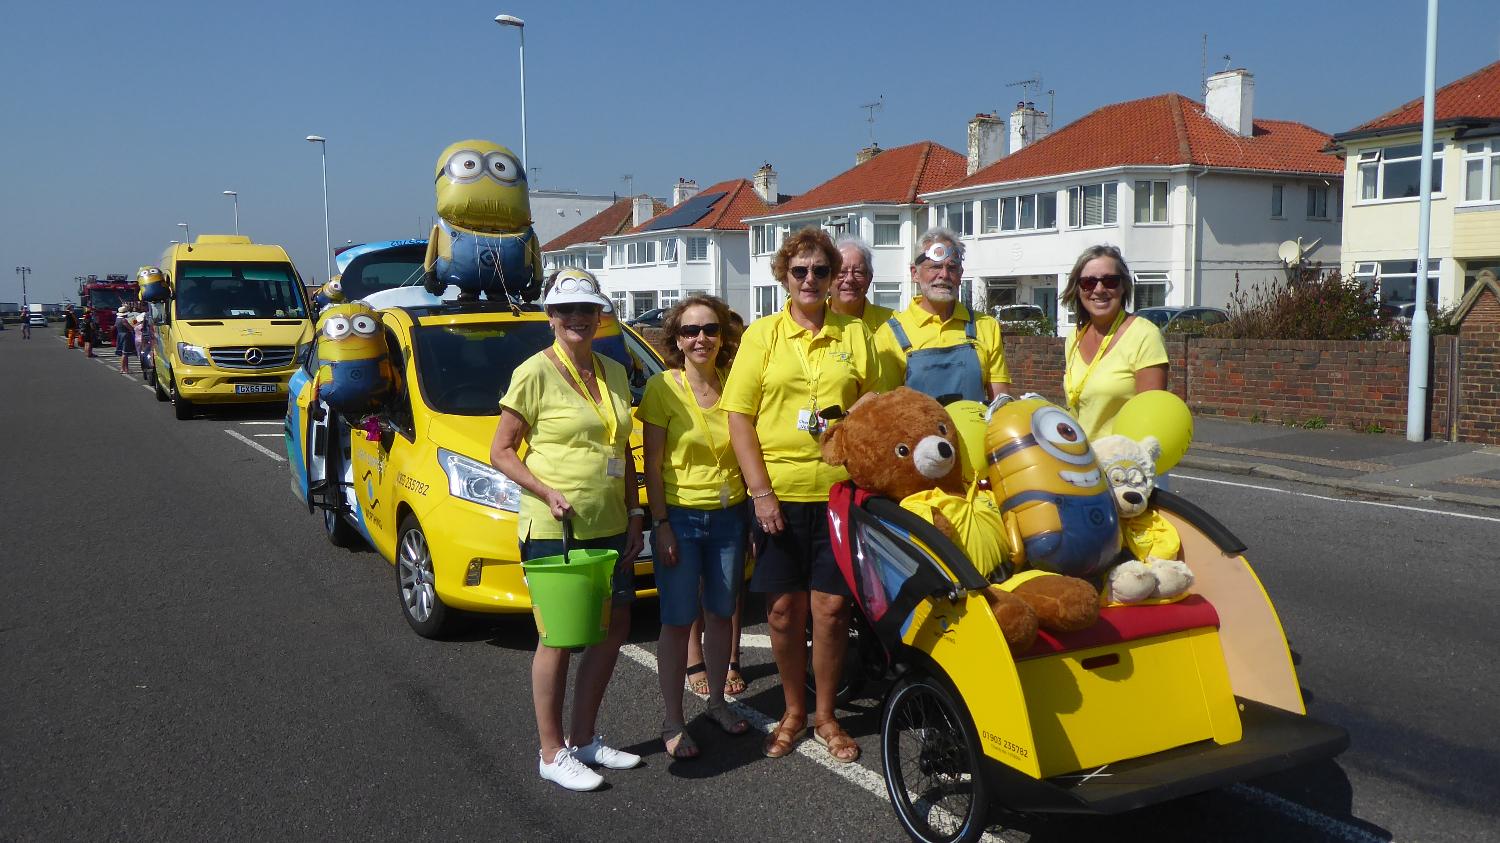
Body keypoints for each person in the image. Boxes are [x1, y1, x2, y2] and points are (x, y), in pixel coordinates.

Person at [722, 228, 879, 763]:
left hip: (838, 495)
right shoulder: (762, 336)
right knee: (784, 613)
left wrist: (855, 418)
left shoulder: (854, 333)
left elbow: (875, 401)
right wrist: (761, 493)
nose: (810, 279)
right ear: (784, 276)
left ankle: (826, 715)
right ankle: (792, 710)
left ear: (833, 277)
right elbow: (739, 418)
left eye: (820, 270)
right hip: (779, 495)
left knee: (831, 610)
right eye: (800, 270)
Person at [489, 268, 645, 792]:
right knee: (557, 637)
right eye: (566, 309)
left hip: (612, 523)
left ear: (600, 317)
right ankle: (551, 752)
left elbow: (620, 448)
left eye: (587, 309)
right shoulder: (533, 372)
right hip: (555, 527)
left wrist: (635, 514)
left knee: (615, 626)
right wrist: (545, 490)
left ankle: (584, 738)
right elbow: (502, 450)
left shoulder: (613, 370)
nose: (577, 317)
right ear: (551, 317)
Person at [640, 294, 752, 760]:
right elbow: (651, 463)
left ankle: (717, 703)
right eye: (690, 331)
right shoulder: (662, 388)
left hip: (731, 515)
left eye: (710, 329)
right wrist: (661, 523)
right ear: (677, 340)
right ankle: (673, 719)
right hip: (681, 517)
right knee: (677, 619)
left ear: (723, 336)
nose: (701, 338)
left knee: (721, 612)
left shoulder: (735, 384)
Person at [874, 227, 1011, 403]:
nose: (944, 275)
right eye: (935, 267)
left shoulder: (985, 326)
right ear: (915, 273)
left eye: (952, 268)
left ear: (960, 275)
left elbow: (1001, 402)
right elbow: (886, 406)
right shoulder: (889, 334)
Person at [1061, 244, 1169, 440]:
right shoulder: (1074, 338)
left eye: (1110, 281)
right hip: (1081, 456)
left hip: (1124, 457)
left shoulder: (1144, 335)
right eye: (1088, 282)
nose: (1099, 289)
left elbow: (1150, 418)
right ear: (1077, 289)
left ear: (1123, 286)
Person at [830, 235, 893, 332]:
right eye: (841, 272)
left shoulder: (894, 324)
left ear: (869, 279)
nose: (850, 279)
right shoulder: (811, 322)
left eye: (858, 272)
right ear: (828, 278)